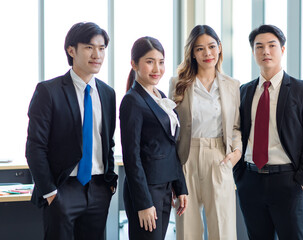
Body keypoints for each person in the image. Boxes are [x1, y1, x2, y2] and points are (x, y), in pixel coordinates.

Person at [26, 22, 117, 240]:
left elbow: (108, 142)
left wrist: (109, 183)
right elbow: (35, 147)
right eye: (89, 47)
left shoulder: (107, 93)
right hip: (63, 188)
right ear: (71, 50)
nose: (97, 54)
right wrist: (50, 192)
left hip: (97, 188)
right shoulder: (49, 91)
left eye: (102, 48)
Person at [234, 24, 303, 240]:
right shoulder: (244, 91)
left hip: (287, 181)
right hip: (250, 181)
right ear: (253, 52)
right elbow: (236, 132)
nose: (265, 51)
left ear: (282, 50)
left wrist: (301, 181)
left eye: (271, 46)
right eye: (259, 47)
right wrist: (240, 176)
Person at [169, 25, 242, 240]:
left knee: (223, 227)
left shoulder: (232, 85)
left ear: (219, 48)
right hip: (186, 157)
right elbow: (171, 127)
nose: (207, 53)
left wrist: (236, 153)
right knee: (187, 227)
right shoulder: (178, 84)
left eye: (211, 46)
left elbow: (236, 127)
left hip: (219, 156)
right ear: (192, 53)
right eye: (200, 49)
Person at [120, 36, 188, 240]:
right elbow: (131, 157)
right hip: (147, 190)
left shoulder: (160, 96)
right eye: (150, 62)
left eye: (161, 62)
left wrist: (180, 186)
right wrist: (143, 203)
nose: (157, 68)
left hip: (165, 187)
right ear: (134, 64)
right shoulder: (132, 101)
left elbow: (170, 147)